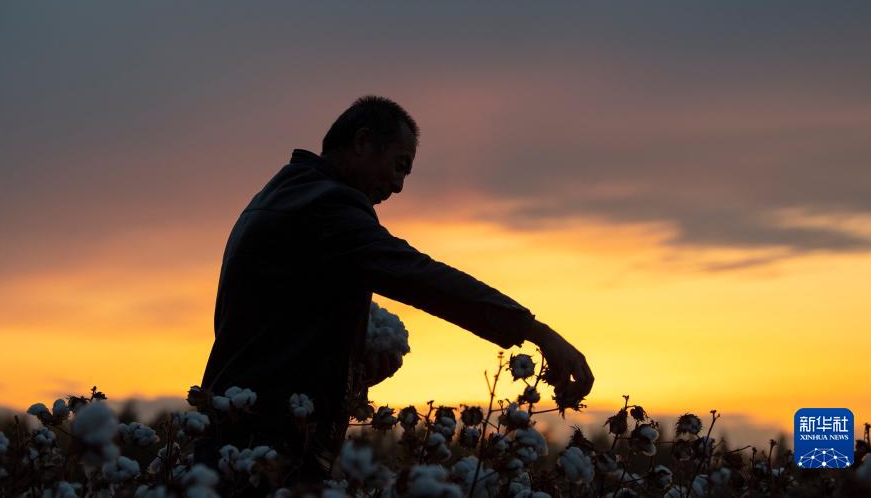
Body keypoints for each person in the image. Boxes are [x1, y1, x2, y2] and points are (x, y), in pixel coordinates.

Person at [196, 95, 593, 487]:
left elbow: (278, 332)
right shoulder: (323, 206)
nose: (399, 186)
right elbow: (419, 276)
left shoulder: (281, 195)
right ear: (363, 142)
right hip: (262, 451)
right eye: (399, 166)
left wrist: (354, 371)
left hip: (239, 441)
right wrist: (535, 330)